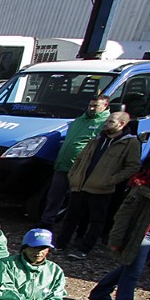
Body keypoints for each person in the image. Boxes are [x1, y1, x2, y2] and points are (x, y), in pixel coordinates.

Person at [89, 156, 150, 300]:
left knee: (129, 266)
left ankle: (100, 292)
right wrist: (116, 238)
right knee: (133, 272)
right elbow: (124, 214)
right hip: (143, 233)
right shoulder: (147, 183)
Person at [58, 111, 142, 258]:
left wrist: (110, 180)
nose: (106, 124)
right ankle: (61, 244)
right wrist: (73, 174)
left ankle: (84, 249)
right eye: (107, 121)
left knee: (96, 220)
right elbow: (81, 158)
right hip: (80, 184)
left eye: (111, 122)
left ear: (121, 124)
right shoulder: (97, 138)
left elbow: (133, 167)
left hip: (101, 189)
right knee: (71, 217)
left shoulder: (130, 143)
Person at [41, 96, 110, 228]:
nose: (91, 108)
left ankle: (69, 226)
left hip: (81, 168)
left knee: (76, 200)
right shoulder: (79, 120)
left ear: (105, 106)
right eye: (90, 105)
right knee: (54, 195)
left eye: (95, 106)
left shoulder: (105, 124)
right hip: (63, 163)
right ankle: (47, 221)